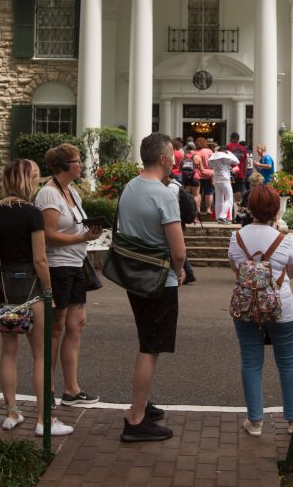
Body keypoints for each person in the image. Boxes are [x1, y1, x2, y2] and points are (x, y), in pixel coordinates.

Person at [0, 159, 74, 436]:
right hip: (31, 287)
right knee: (40, 355)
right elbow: (40, 259)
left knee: (8, 352)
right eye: (37, 177)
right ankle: (44, 419)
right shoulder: (32, 213)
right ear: (28, 179)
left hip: (5, 286)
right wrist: (49, 291)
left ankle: (11, 411)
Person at [117, 133, 187, 442]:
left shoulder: (130, 187)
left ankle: (142, 404)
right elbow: (179, 249)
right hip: (160, 278)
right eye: (172, 155)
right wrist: (181, 269)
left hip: (135, 276)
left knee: (147, 339)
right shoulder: (163, 194)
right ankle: (135, 420)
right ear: (161, 158)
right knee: (150, 347)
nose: (175, 159)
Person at [229, 183, 293, 437]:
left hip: (247, 306)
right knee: (288, 362)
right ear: (275, 210)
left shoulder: (237, 238)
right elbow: (292, 273)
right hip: (281, 307)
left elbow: (236, 270)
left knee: (250, 362)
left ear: (250, 208)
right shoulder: (283, 240)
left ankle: (255, 421)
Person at [36, 143, 103, 407]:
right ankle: (48, 388)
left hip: (76, 264)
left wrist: (89, 233)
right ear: (65, 166)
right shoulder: (49, 195)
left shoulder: (72, 192)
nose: (81, 165)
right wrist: (83, 237)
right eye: (77, 161)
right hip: (58, 265)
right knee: (56, 327)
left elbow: (74, 227)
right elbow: (48, 235)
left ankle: (71, 389)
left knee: (77, 324)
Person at [209, 144, 239, 223]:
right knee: (229, 198)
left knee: (219, 199)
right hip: (225, 178)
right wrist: (229, 153)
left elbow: (209, 166)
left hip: (216, 178)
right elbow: (237, 162)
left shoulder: (213, 156)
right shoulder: (226, 156)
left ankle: (218, 217)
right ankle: (223, 216)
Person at [227, 132, 248, 205]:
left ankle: (230, 205)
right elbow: (245, 162)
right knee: (238, 190)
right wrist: (244, 173)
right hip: (240, 173)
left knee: (229, 189)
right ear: (238, 139)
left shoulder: (228, 147)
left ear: (231, 138)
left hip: (229, 173)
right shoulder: (243, 149)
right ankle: (237, 206)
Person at [195, 137, 214, 215]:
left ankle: (198, 209)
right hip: (209, 174)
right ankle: (208, 209)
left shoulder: (195, 152)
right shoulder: (209, 151)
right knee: (209, 192)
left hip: (198, 175)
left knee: (198, 193)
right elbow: (213, 162)